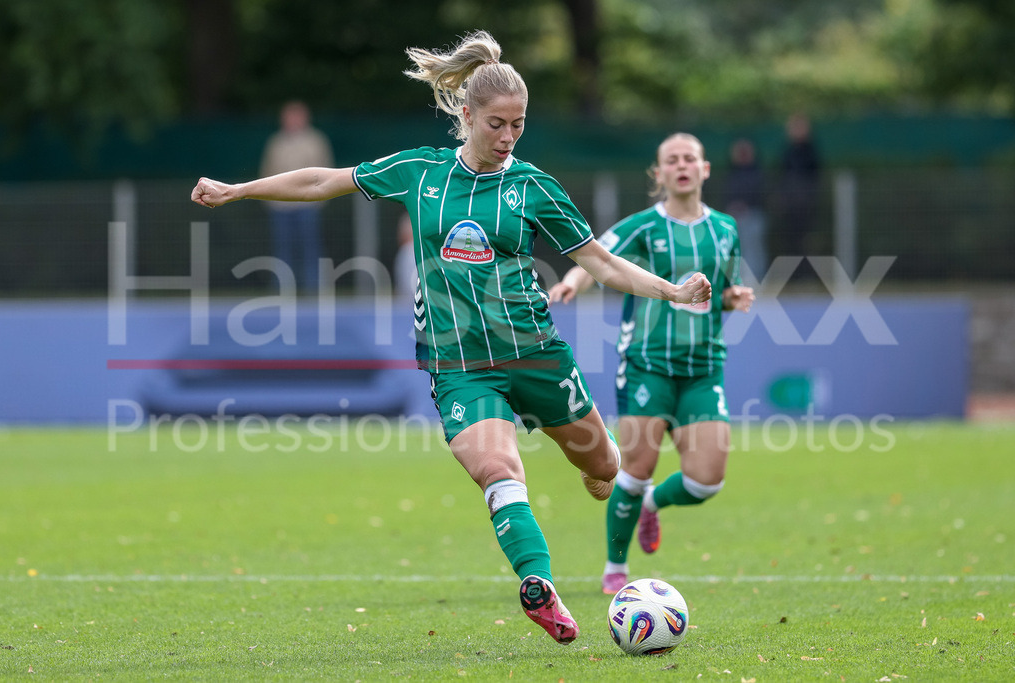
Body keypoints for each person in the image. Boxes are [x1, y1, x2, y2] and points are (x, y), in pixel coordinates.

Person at [191, 31, 711, 645]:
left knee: (603, 469)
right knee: (496, 467)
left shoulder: (534, 187)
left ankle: (593, 475)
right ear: (465, 115)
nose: (509, 137)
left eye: (518, 125)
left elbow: (600, 262)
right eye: (497, 123)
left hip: (537, 356)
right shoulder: (419, 172)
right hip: (459, 366)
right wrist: (240, 190)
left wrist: (671, 291)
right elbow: (321, 182)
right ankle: (539, 587)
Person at [548, 132, 754, 595]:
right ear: (658, 174)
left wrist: (731, 296)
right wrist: (570, 283)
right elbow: (594, 257)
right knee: (635, 469)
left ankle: (653, 505)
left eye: (690, 159)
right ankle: (614, 568)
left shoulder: (725, 229)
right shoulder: (642, 225)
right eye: (671, 160)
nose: (681, 165)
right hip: (646, 365)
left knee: (706, 481)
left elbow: (718, 291)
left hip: (704, 367)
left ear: (704, 170)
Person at [259, 100, 334, 293]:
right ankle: (282, 289)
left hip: (308, 205)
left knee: (311, 249)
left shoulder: (316, 141)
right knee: (282, 249)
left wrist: (319, 200)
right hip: (281, 207)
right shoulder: (276, 143)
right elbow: (267, 171)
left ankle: (314, 290)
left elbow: (326, 172)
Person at [776, 112, 820, 273]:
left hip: (806, 205)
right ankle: (792, 274)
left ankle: (806, 274)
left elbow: (814, 175)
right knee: (790, 239)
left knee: (806, 240)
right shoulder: (787, 151)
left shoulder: (811, 150)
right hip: (790, 205)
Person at [725, 137, 768, 279]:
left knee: (753, 248)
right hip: (734, 217)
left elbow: (762, 194)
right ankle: (739, 278)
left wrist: (746, 205)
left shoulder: (758, 172)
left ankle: (756, 277)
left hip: (753, 214)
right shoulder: (731, 172)